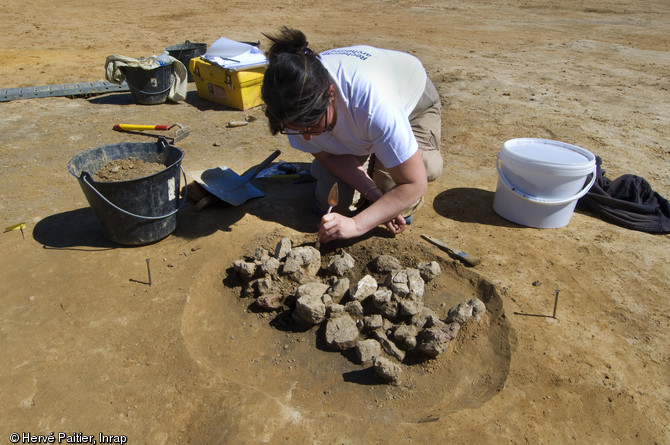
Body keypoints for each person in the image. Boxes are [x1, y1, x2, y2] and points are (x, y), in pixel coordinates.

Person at [261, 27, 443, 244]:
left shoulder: (374, 106)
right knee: (336, 204)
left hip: (412, 100)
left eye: (312, 126)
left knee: (398, 188)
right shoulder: (293, 104)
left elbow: (414, 184)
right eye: (297, 129)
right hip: (362, 122)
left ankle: (387, 154)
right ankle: (379, 154)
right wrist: (374, 196)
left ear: (330, 93)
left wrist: (357, 224)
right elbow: (329, 156)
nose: (307, 138)